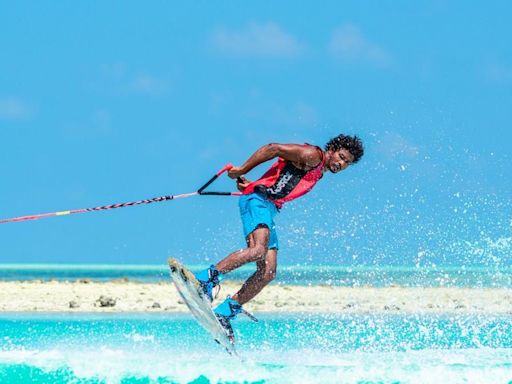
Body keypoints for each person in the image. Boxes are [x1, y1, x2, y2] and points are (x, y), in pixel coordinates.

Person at [195, 134, 364, 340]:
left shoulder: (320, 170)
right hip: (257, 201)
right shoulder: (313, 155)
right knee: (258, 251)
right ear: (332, 148)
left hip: (268, 205)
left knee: (268, 272)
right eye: (341, 156)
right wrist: (242, 170)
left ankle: (225, 313)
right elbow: (273, 148)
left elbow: (280, 179)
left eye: (347, 162)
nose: (341, 163)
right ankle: (205, 280)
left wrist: (254, 183)